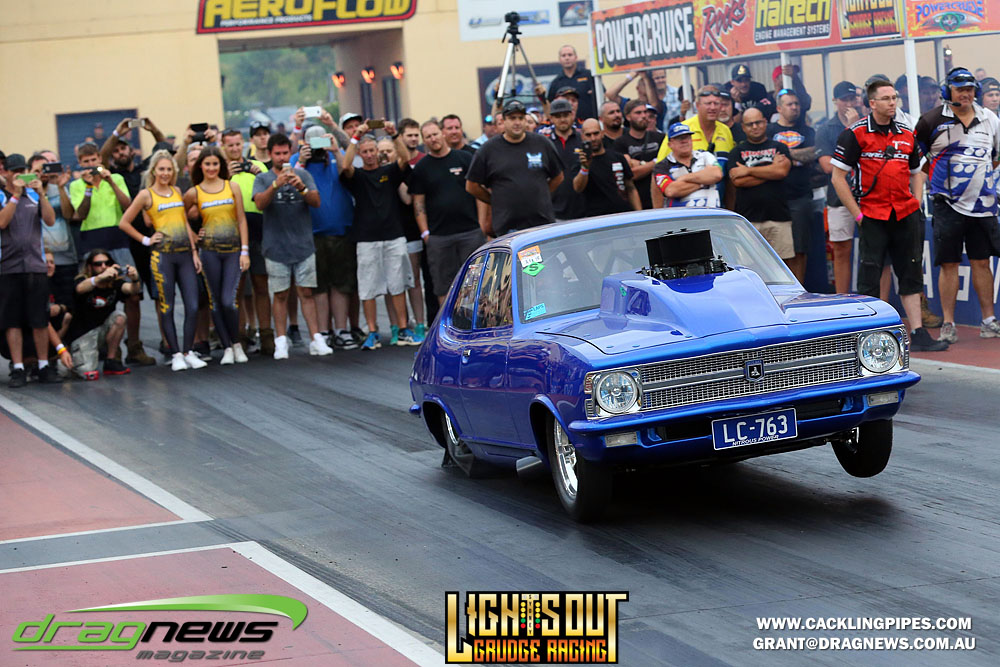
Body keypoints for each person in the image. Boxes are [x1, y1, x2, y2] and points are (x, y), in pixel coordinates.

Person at [830, 79, 948, 352]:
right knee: (869, 279)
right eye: (886, 98)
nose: (892, 102)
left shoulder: (907, 133)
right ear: (872, 103)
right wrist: (858, 214)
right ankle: (867, 336)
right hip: (872, 215)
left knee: (911, 275)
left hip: (905, 215)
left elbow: (918, 171)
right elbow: (837, 177)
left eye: (894, 97)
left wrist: (915, 203)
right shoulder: (855, 133)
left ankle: (918, 333)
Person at [915, 67, 1000, 342]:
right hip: (946, 205)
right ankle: (949, 324)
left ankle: (988, 321)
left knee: (982, 261)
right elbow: (916, 161)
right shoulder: (930, 121)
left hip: (982, 205)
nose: (965, 94)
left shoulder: (990, 118)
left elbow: (996, 157)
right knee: (949, 263)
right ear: (947, 91)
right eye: (960, 89)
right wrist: (939, 178)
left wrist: (977, 181)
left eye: (970, 89)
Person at [118, 150, 207, 371]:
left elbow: (184, 222)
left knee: (192, 304)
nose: (165, 173)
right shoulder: (146, 195)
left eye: (169, 169)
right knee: (167, 306)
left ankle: (188, 351)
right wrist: (146, 240)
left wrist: (194, 252)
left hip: (185, 255)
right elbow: (124, 222)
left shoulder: (177, 191)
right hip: (163, 256)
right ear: (154, 171)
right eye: (161, 169)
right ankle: (175, 353)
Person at [70, 142, 155, 365]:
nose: (91, 165)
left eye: (94, 160)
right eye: (86, 162)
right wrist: (89, 187)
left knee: (133, 295)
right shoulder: (76, 185)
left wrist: (110, 181)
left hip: (118, 241)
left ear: (100, 159)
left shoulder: (116, 178)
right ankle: (107, 348)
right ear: (80, 163)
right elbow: (80, 214)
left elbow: (127, 206)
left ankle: (134, 346)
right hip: (92, 244)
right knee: (96, 296)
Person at [340, 122, 422, 350]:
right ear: (360, 154)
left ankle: (403, 329)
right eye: (364, 152)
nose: (369, 155)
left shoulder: (389, 171)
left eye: (371, 151)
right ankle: (372, 331)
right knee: (367, 287)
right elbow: (345, 165)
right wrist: (356, 136)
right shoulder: (357, 176)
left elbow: (404, 159)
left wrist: (394, 134)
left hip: (393, 235)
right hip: (366, 238)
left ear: (377, 152)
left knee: (397, 284)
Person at [252, 134, 333, 359]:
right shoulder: (264, 178)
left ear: (291, 153)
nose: (282, 158)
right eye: (277, 154)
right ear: (270, 154)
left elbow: (316, 202)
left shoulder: (303, 174)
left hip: (303, 245)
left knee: (306, 292)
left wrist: (302, 188)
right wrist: (275, 185)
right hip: (275, 247)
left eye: (285, 153)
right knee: (280, 294)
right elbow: (259, 204)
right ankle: (280, 341)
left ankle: (316, 338)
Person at [182, 146, 250, 364]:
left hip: (233, 251)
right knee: (215, 302)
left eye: (215, 164)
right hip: (209, 252)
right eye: (207, 164)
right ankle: (227, 347)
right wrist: (194, 236)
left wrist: (245, 251)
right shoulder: (194, 192)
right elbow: (179, 215)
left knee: (228, 301)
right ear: (200, 166)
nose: (211, 168)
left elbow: (241, 219)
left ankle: (236, 343)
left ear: (221, 165)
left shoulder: (232, 187)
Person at [294, 123, 359, 350]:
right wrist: (301, 160)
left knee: (341, 284)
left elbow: (347, 172)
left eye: (320, 140)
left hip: (340, 230)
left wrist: (335, 149)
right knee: (318, 286)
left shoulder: (334, 156)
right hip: (311, 233)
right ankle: (323, 331)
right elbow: (290, 181)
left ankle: (341, 329)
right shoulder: (298, 160)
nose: (316, 147)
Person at [409, 120, 486, 306]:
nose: (433, 139)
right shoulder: (421, 168)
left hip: (470, 232)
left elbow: (479, 193)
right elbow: (418, 203)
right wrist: (425, 234)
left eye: (435, 134)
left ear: (442, 134)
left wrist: (482, 225)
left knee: (477, 283)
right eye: (428, 136)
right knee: (444, 287)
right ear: (424, 141)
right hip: (439, 237)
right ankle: (448, 323)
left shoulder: (465, 158)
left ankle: (478, 321)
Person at [0, 154, 58, 387]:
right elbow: (2, 222)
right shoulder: (2, 196)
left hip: (35, 265)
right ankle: (18, 367)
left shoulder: (34, 195)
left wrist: (41, 194)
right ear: (6, 173)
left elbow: (50, 220)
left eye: (22, 172)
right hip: (8, 267)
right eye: (15, 172)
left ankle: (43, 365)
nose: (19, 176)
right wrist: (15, 195)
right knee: (12, 320)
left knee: (39, 319)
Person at [466, 100, 564, 236]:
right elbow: (471, 186)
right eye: (512, 118)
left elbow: (558, 176)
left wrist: (541, 194)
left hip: (542, 223)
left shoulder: (542, 143)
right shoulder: (488, 150)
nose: (517, 122)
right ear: (503, 121)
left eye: (521, 118)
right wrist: (495, 200)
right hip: (508, 227)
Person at [221, 128, 272, 355]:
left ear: (243, 143)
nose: (234, 149)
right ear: (223, 147)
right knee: (238, 288)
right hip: (233, 233)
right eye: (230, 145)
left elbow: (270, 191)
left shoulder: (258, 166)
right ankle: (239, 336)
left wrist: (258, 174)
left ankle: (266, 334)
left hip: (259, 232)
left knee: (261, 285)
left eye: (237, 144)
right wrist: (226, 176)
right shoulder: (219, 171)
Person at [728, 108, 794, 263]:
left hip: (778, 217)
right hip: (748, 221)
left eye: (758, 122)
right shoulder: (736, 151)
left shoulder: (780, 147)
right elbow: (738, 181)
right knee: (750, 268)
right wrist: (771, 171)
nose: (755, 127)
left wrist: (748, 170)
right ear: (743, 127)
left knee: (782, 267)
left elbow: (782, 172)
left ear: (765, 122)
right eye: (750, 124)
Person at [64, 249, 141, 380]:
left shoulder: (114, 282)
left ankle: (111, 360)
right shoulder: (84, 279)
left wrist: (135, 279)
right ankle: (69, 359)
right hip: (83, 334)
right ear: (90, 267)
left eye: (107, 263)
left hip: (103, 330)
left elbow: (131, 290)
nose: (103, 267)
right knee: (86, 372)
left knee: (120, 317)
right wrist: (100, 278)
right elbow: (80, 288)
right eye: (98, 264)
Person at [817, 81, 864, 293]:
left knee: (872, 250)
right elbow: (827, 166)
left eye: (852, 98)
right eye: (845, 99)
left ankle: (873, 297)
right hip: (838, 197)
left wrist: (856, 126)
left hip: (866, 196)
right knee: (841, 250)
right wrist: (850, 130)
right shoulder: (826, 129)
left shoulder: (867, 124)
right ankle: (842, 297)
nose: (849, 103)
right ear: (835, 101)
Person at [768, 90, 819, 282]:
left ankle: (799, 290)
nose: (795, 107)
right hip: (774, 198)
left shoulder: (808, 131)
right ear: (779, 108)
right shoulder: (769, 131)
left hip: (800, 197)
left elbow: (813, 153)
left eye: (796, 104)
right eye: (789, 104)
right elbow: (766, 156)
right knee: (776, 250)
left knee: (800, 248)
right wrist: (798, 155)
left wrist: (782, 153)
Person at [28, 154, 77, 307]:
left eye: (45, 168)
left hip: (65, 256)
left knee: (68, 304)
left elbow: (69, 214)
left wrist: (61, 187)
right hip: (38, 259)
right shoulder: (25, 193)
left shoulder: (59, 188)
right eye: (37, 171)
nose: (42, 173)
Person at [572, 119, 641, 215]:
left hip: (623, 215)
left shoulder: (618, 157)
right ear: (582, 137)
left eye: (596, 133)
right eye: (588, 135)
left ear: (602, 133)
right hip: (597, 218)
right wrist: (585, 168)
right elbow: (577, 188)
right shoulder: (580, 163)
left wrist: (639, 214)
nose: (593, 138)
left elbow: (631, 188)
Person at [651, 123, 723, 208]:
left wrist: (684, 178)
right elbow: (671, 191)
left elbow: (717, 174)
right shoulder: (662, 166)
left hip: (711, 212)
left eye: (687, 137)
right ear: (670, 144)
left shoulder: (705, 155)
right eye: (679, 138)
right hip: (681, 215)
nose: (684, 141)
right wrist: (705, 182)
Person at [614, 99, 666, 210]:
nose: (643, 116)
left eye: (645, 112)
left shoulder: (660, 138)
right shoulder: (620, 143)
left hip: (661, 199)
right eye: (638, 113)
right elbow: (631, 174)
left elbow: (666, 167)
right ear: (628, 117)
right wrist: (656, 162)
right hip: (637, 201)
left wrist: (641, 164)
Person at [543, 98, 585, 221]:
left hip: (584, 210)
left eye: (565, 115)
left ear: (572, 115)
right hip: (555, 211)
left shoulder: (583, 139)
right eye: (558, 116)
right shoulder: (545, 143)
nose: (562, 119)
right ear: (551, 118)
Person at [547, 45, 597, 121]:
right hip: (566, 124)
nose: (567, 58)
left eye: (570, 55)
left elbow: (602, 94)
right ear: (559, 59)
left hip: (590, 122)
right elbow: (550, 105)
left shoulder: (589, 75)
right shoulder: (556, 82)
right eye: (563, 55)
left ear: (576, 57)